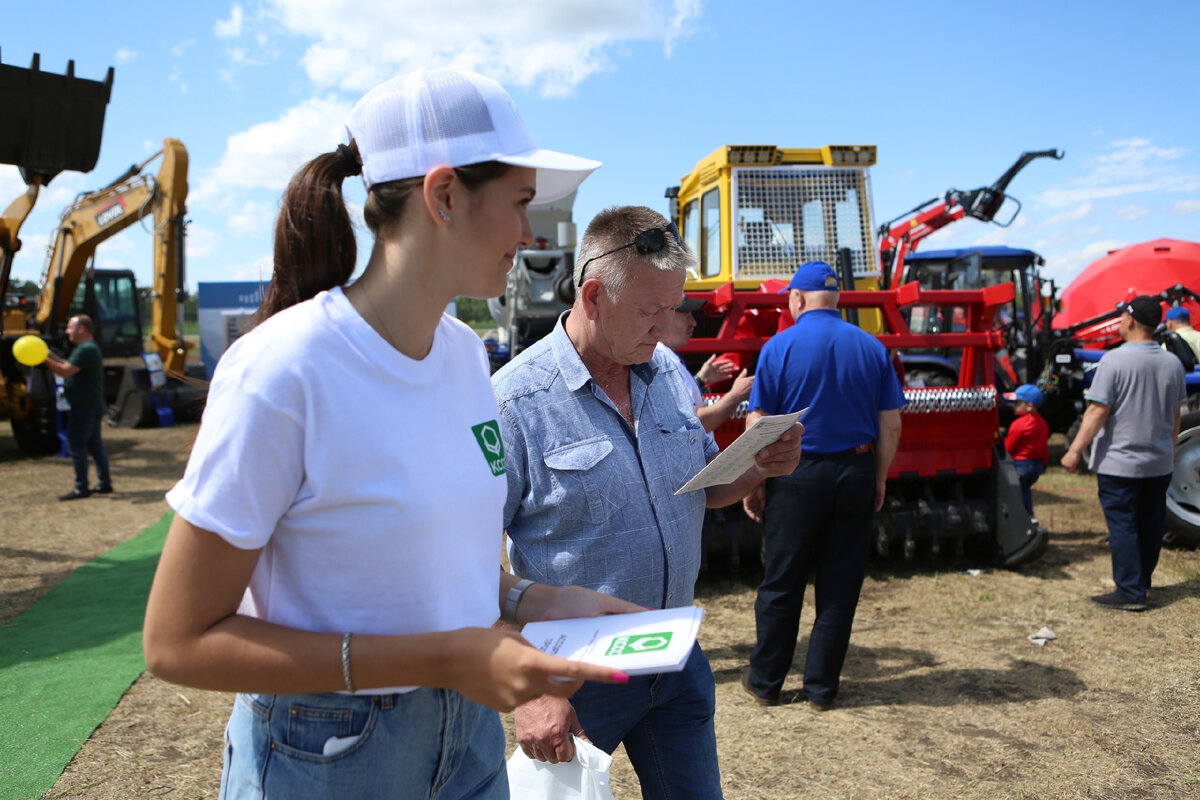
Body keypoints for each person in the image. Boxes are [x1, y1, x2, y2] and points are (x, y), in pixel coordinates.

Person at [142, 68, 641, 800]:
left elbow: (433, 566)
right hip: (331, 753)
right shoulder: (284, 372)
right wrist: (445, 658)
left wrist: (535, 601)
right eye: (520, 203)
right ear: (443, 196)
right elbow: (177, 642)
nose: (529, 233)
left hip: (466, 737)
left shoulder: (466, 355)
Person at [493, 205, 802, 799]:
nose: (665, 328)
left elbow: (700, 488)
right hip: (575, 676)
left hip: (675, 657)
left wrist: (757, 468)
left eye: (673, 308)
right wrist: (534, 691)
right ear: (592, 296)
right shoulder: (515, 403)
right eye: (648, 310)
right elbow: (467, 569)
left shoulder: (663, 371)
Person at [739, 260, 905, 710]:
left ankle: (767, 681)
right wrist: (879, 476)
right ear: (837, 299)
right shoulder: (872, 348)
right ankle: (821, 689)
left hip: (795, 473)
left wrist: (757, 480)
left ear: (796, 299)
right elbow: (890, 423)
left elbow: (759, 421)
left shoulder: (779, 347)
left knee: (782, 580)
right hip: (854, 471)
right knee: (840, 583)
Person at [1061, 295, 1186, 612]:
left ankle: (1129, 591)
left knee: (1123, 525)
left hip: (1120, 463)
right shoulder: (1172, 363)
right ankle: (1141, 583)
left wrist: (1075, 451)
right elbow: (1176, 415)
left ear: (1130, 321)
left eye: (1121, 318)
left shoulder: (1113, 360)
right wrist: (1169, 450)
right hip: (1158, 462)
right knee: (1150, 524)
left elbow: (1097, 411)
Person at [657, 297, 754, 432]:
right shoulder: (663, 360)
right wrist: (736, 395)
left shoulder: (663, 357)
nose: (694, 323)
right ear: (666, 318)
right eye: (687, 316)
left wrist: (699, 380)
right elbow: (694, 424)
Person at [44, 314, 113, 500]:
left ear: (81, 329)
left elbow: (65, 371)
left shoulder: (86, 349)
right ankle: (104, 483)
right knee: (94, 445)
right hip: (92, 405)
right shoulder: (88, 348)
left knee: (76, 445)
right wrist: (49, 353)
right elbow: (67, 364)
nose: (67, 332)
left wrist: (44, 359)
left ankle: (81, 487)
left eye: (69, 327)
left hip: (84, 407)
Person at [1003, 383, 1049, 517]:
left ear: (1029, 406)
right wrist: (1044, 464)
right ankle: (1028, 515)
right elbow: (1044, 447)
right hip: (1036, 465)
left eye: (1017, 403)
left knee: (1017, 493)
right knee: (1025, 490)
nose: (1013, 405)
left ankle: (1023, 517)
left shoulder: (1019, 424)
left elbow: (1008, 447)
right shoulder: (1042, 423)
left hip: (1021, 465)